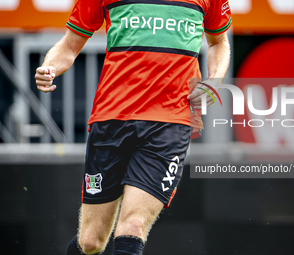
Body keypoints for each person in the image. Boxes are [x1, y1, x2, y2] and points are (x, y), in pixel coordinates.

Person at [35, 0, 231, 254]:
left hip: (170, 123)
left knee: (133, 227)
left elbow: (219, 42)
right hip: (111, 119)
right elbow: (70, 45)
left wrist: (214, 80)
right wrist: (50, 67)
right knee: (91, 242)